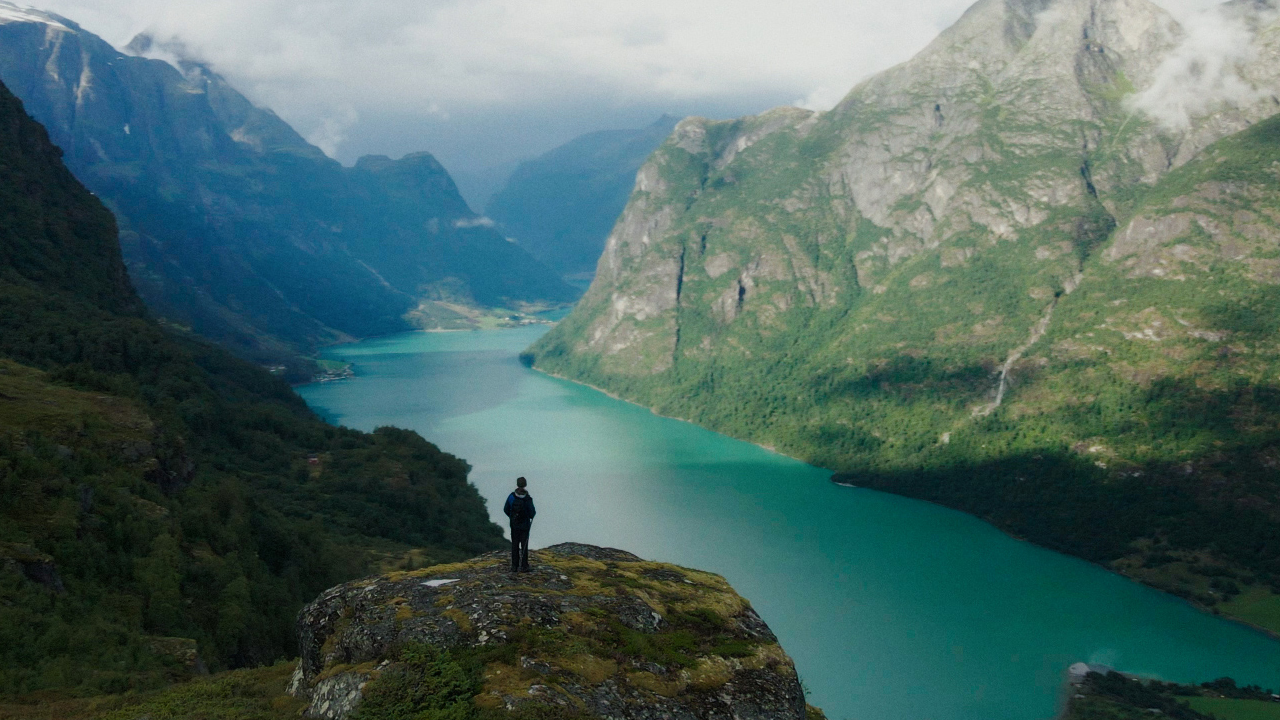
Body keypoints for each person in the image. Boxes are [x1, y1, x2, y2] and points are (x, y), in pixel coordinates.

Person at [503, 476, 536, 572]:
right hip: (525, 526)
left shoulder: (511, 496)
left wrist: (512, 517)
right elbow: (532, 513)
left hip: (514, 525)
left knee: (515, 545)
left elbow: (505, 509)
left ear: (517, 484)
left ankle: (514, 566)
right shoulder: (528, 498)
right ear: (525, 485)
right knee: (524, 545)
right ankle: (524, 566)